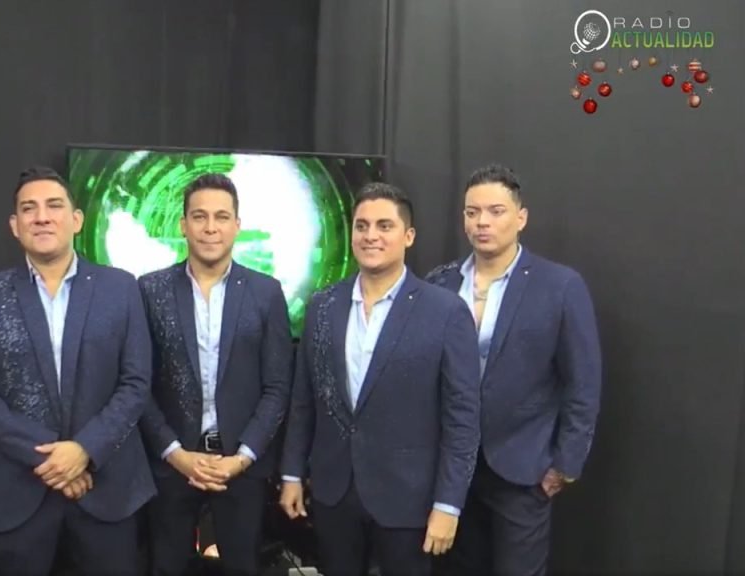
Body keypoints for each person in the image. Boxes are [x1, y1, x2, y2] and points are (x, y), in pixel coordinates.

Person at [0, 165, 155, 576]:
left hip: (107, 487)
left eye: (54, 206)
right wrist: (57, 459)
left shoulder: (120, 288)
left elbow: (135, 384)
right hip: (16, 490)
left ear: (76, 219)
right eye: (29, 209)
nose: (42, 217)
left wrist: (85, 451)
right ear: (15, 225)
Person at [279, 182, 482, 576]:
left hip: (409, 500)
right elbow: (304, 400)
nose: (371, 235)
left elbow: (462, 419)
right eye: (362, 226)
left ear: (409, 236)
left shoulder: (445, 312)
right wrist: (291, 473)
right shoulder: (323, 306)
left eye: (384, 226)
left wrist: (448, 505)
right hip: (334, 494)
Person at [425, 163, 602, 576]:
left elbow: (583, 382)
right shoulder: (439, 283)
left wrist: (565, 464)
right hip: (450, 470)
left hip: (523, 469)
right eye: (472, 212)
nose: (482, 222)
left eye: (495, 211)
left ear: (521, 218)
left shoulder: (559, 286)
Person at [139, 173, 293, 575]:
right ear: (183, 224)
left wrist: (241, 459)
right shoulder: (150, 290)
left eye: (221, 217)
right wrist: (176, 454)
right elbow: (138, 385)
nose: (210, 227)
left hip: (241, 467)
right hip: (171, 465)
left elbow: (277, 388)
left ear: (237, 225)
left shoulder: (266, 292)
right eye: (200, 216)